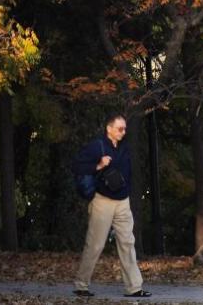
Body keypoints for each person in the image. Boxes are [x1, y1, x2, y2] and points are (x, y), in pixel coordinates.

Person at [72, 113, 151, 298]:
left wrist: (129, 192)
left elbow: (130, 172)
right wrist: (98, 166)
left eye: (125, 128)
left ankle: (134, 288)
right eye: (119, 128)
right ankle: (81, 285)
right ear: (109, 129)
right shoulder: (97, 146)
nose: (123, 132)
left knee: (128, 243)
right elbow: (76, 166)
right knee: (95, 244)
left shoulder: (124, 147)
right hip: (102, 201)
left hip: (123, 201)